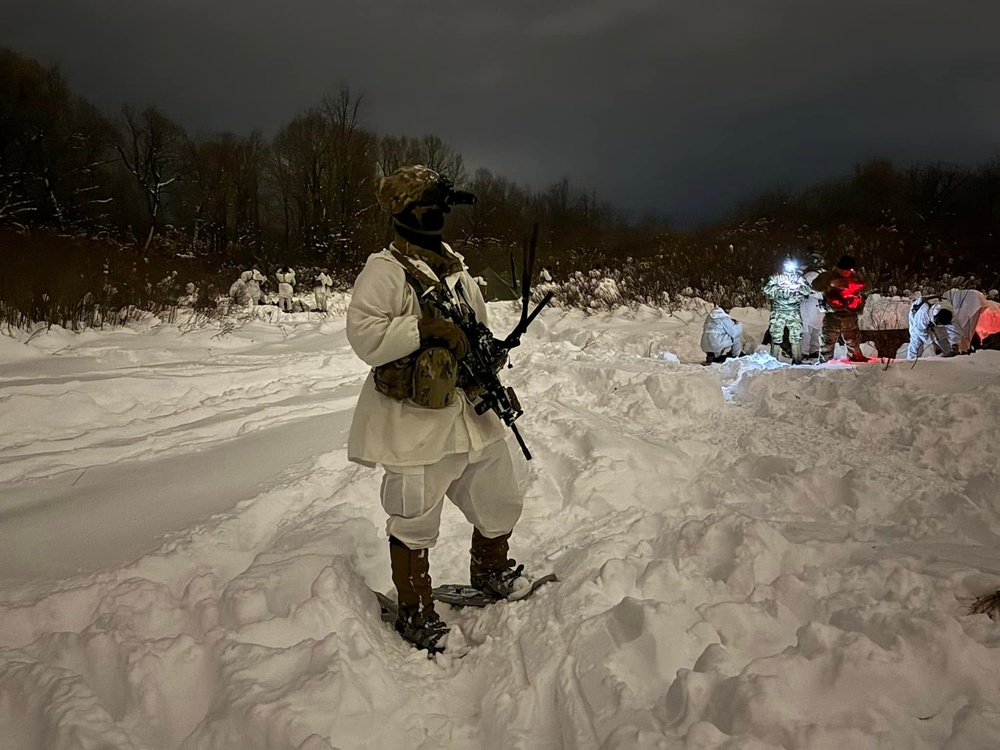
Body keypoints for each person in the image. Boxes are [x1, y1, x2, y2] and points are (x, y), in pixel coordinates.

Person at [345, 164, 527, 653]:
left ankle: (491, 570)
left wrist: (487, 348)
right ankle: (415, 609)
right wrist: (422, 330)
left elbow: (477, 324)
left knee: (500, 493)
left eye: (442, 206)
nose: (439, 215)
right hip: (415, 420)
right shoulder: (384, 270)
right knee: (415, 513)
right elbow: (364, 336)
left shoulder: (454, 265)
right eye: (430, 206)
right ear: (405, 210)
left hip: (471, 409)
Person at [812, 254, 868, 363]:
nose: (847, 273)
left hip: (850, 315)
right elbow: (815, 286)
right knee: (827, 343)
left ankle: (855, 359)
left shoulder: (855, 276)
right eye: (844, 270)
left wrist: (855, 282)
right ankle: (825, 363)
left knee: (853, 341)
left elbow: (867, 287)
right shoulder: (828, 276)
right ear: (838, 268)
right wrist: (830, 283)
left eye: (849, 270)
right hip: (832, 316)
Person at [763, 258, 812, 364]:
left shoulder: (798, 278)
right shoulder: (775, 277)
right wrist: (779, 288)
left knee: (796, 336)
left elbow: (808, 290)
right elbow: (766, 289)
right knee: (776, 335)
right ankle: (773, 359)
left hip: (793, 312)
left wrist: (797, 287)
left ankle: (797, 359)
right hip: (778, 311)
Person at [800, 250, 826, 359]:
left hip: (812, 304)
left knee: (811, 328)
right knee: (812, 328)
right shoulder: (817, 275)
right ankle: (810, 350)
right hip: (815, 303)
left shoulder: (808, 275)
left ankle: (808, 351)